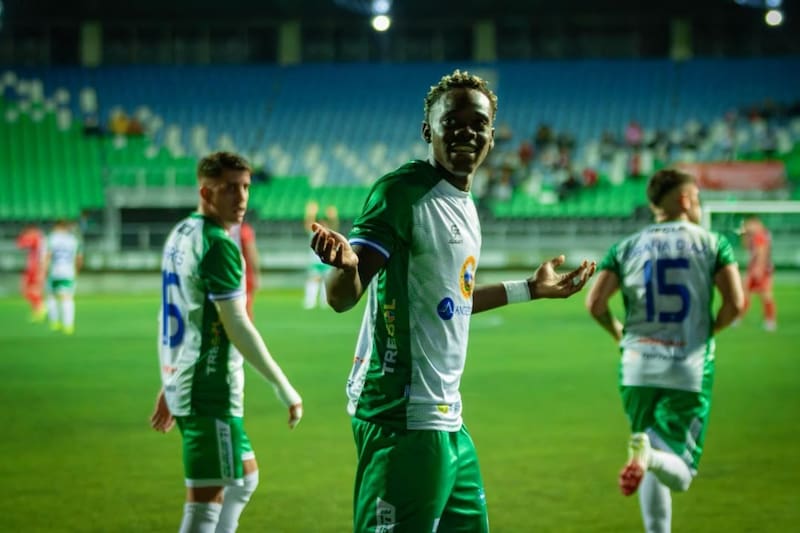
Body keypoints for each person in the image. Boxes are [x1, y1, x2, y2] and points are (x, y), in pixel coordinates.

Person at [309, 70, 596, 533]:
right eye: (452, 122)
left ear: (492, 136)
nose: (466, 132)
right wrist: (344, 268)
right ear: (428, 131)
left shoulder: (462, 202)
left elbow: (451, 302)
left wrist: (529, 288)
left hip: (446, 419)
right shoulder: (401, 193)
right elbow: (343, 298)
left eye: (478, 123)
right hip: (401, 417)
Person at [149, 151, 303, 533]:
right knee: (206, 502)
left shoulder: (181, 233)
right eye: (230, 188)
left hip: (191, 384)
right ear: (206, 192)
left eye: (246, 187)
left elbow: (177, 316)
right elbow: (238, 327)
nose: (242, 197)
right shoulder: (218, 245)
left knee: (244, 478)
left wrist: (171, 380)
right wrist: (284, 387)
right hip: (209, 391)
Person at [585, 169, 744, 533]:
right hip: (687, 367)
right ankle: (650, 457)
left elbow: (595, 304)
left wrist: (619, 334)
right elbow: (736, 303)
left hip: (636, 367)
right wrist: (708, 332)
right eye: (697, 199)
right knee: (679, 470)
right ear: (685, 200)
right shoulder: (713, 243)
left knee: (649, 449)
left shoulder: (626, 246)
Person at [44, 220, 83, 334]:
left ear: (57, 227)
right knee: (67, 297)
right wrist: (76, 271)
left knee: (51, 295)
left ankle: (54, 322)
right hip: (68, 271)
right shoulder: (73, 240)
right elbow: (79, 258)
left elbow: (47, 256)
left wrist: (45, 270)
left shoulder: (51, 238)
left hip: (54, 271)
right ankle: (68, 325)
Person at [739, 215, 777, 331]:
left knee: (765, 294)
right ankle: (738, 317)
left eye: (749, 224)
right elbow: (746, 247)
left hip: (761, 267)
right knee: (746, 292)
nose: (747, 226)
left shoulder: (760, 235)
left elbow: (762, 253)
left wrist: (758, 268)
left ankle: (770, 321)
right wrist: (745, 235)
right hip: (757, 266)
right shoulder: (756, 235)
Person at [303, 200, 339, 310]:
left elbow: (335, 225)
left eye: (325, 223)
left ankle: (325, 302)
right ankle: (310, 301)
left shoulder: (330, 233)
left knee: (326, 282)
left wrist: (333, 217)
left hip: (327, 261)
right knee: (313, 280)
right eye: (321, 223)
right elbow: (308, 224)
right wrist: (310, 214)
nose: (323, 225)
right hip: (315, 261)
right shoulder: (314, 233)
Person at [229, 219, 260, 320]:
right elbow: (252, 253)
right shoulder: (244, 230)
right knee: (245, 311)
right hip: (244, 275)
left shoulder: (223, 228)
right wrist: (257, 274)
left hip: (228, 273)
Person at [16, 223, 47, 322]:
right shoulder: (39, 237)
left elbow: (20, 244)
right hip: (34, 267)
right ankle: (39, 309)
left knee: (31, 289)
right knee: (28, 290)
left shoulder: (37, 237)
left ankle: (40, 309)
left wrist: (22, 235)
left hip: (36, 267)